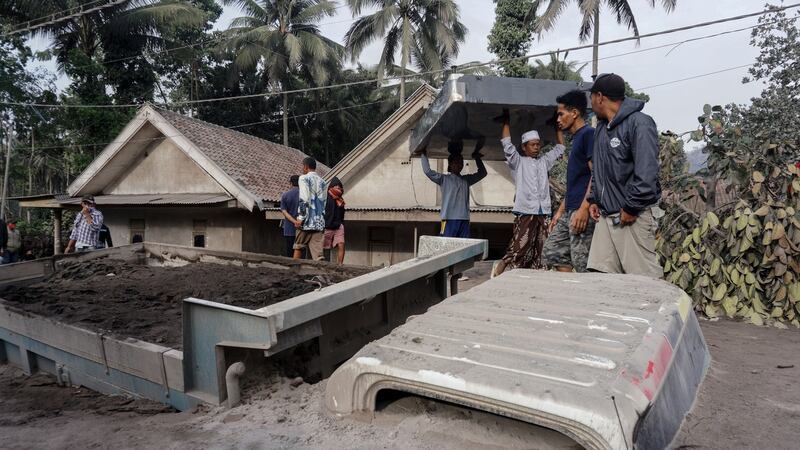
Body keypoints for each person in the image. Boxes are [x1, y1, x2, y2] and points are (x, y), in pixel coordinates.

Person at [585, 73, 663, 278]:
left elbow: (647, 173)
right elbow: (600, 169)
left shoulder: (640, 123)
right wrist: (594, 198)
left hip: (631, 217)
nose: (590, 102)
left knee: (643, 282)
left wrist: (631, 206)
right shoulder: (601, 127)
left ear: (599, 97)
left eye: (591, 97)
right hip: (605, 216)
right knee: (600, 277)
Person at [493, 112, 565, 277]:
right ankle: (502, 268)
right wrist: (506, 121)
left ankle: (538, 277)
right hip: (526, 211)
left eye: (538, 144)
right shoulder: (518, 162)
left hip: (543, 212)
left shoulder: (544, 161)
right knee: (521, 246)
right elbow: (507, 145)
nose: (536, 147)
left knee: (543, 247)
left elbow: (560, 147)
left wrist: (556, 126)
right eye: (532, 145)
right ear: (524, 147)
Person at [542, 90, 596, 273]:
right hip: (570, 210)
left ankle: (584, 298)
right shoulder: (576, 139)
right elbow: (575, 183)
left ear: (575, 113)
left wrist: (585, 208)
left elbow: (596, 174)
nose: (558, 119)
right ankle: (567, 290)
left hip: (582, 210)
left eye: (561, 114)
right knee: (553, 251)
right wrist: (560, 212)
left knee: (582, 264)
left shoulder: (589, 134)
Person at [420, 139, 488, 238]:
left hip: (464, 219)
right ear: (450, 164)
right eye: (456, 162)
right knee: (446, 245)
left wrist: (477, 157)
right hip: (448, 219)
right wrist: (423, 154)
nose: (459, 165)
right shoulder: (444, 179)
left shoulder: (466, 180)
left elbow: (483, 173)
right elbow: (428, 171)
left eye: (461, 162)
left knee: (463, 247)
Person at [293, 157, 327, 261]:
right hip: (319, 222)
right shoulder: (323, 182)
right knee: (318, 255)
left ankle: (293, 274)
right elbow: (323, 202)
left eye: (303, 167)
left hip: (307, 221)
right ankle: (321, 276)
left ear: (306, 166)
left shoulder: (303, 178)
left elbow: (304, 198)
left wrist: (301, 217)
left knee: (298, 247)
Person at [323, 177, 346, 264]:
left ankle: (340, 265)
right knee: (324, 247)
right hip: (327, 226)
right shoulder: (325, 198)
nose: (338, 188)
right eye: (336, 186)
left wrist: (341, 224)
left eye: (339, 186)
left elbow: (342, 215)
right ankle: (322, 265)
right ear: (331, 187)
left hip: (338, 226)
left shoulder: (341, 200)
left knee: (341, 244)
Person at [280, 175, 301, 257]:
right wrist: (298, 222)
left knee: (289, 252)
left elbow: (284, 211)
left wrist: (294, 221)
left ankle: (290, 268)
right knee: (300, 251)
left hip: (289, 229)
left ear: (291, 183)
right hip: (301, 228)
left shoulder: (285, 195)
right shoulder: (304, 195)